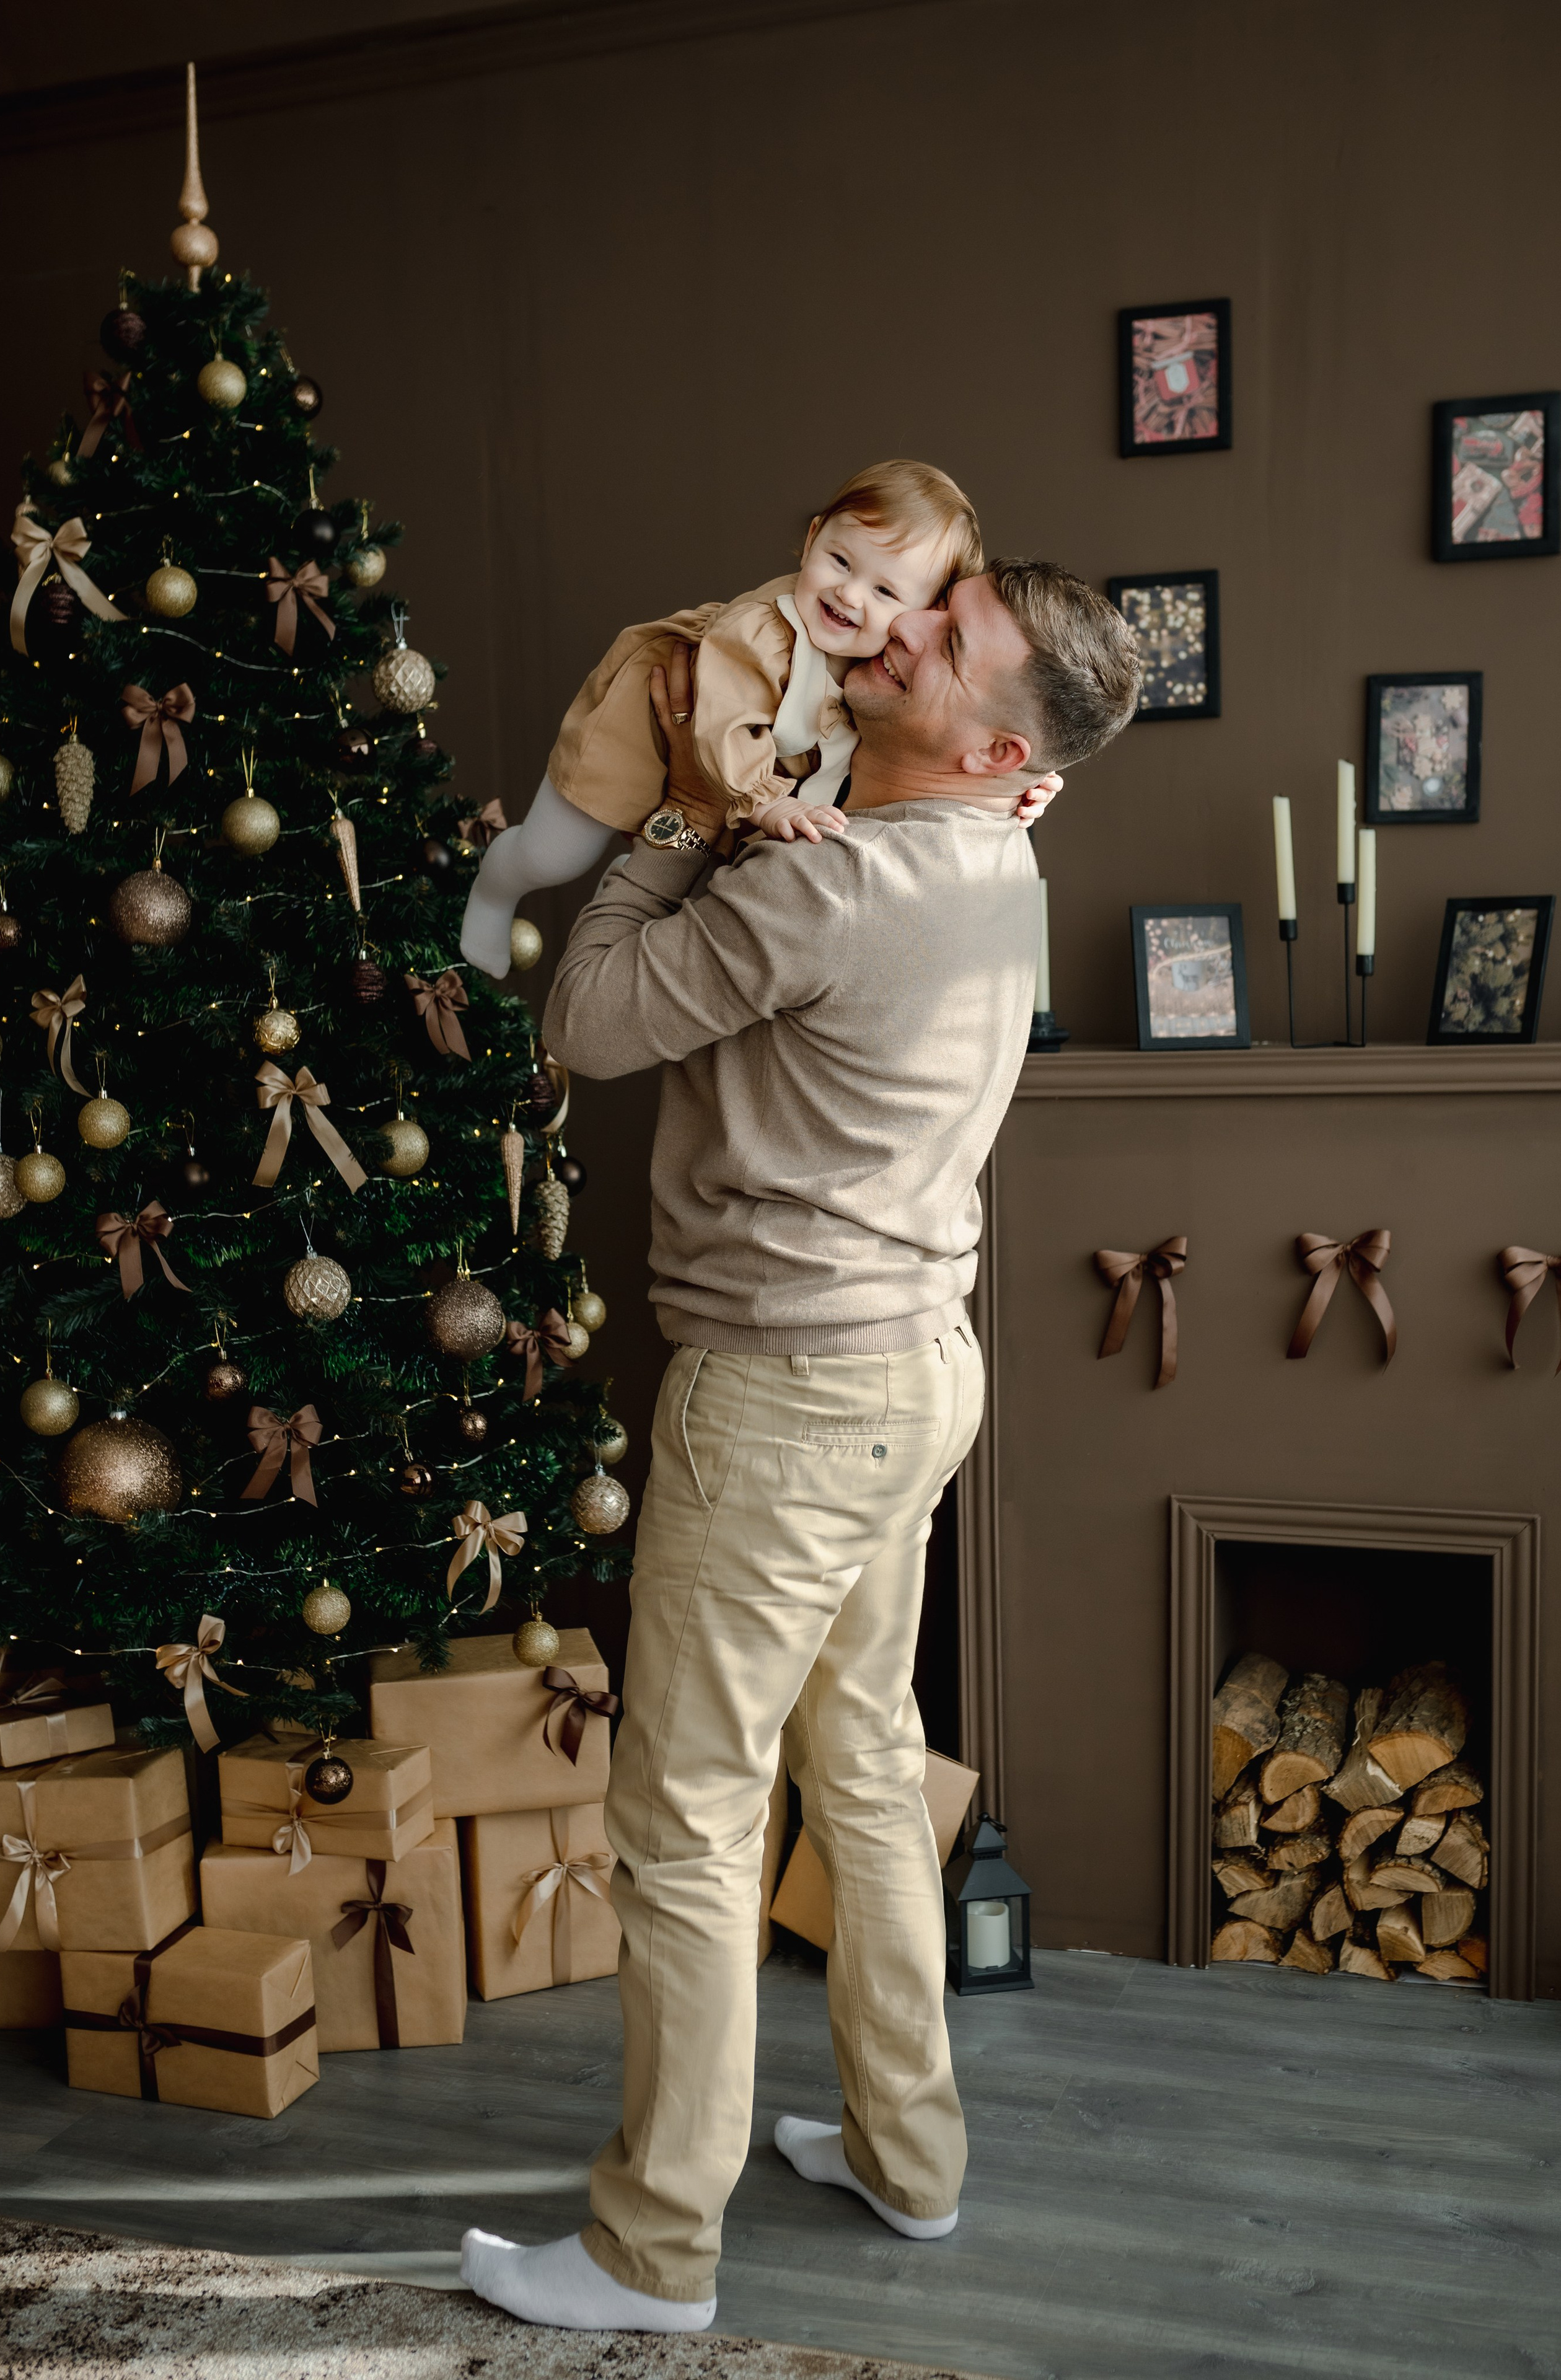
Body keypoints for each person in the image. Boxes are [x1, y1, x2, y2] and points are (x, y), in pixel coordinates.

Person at [460, 558, 1141, 2331]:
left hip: (790, 1398)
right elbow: (881, 765)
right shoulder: (998, 844)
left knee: (682, 1818)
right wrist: (841, 785)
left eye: (944, 632)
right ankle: (911, 2159)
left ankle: (649, 2255)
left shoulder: (840, 892)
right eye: (941, 590)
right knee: (860, 1757)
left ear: (993, 735)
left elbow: (583, 1020)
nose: (896, 619)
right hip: (915, 1371)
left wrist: (687, 822)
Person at [457, 460, 983, 976]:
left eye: (885, 591)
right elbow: (722, 725)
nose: (848, 594)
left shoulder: (889, 664)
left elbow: (946, 732)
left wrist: (1005, 787)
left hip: (733, 782)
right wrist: (766, 803)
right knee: (555, 856)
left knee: (708, 886)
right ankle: (496, 883)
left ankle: (634, 870)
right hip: (645, 735)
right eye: (840, 560)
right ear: (813, 537)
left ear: (927, 611)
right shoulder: (759, 633)